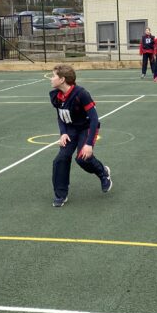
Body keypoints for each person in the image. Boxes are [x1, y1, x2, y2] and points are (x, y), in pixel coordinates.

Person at [49, 64, 112, 207]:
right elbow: (61, 116)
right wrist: (63, 133)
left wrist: (89, 144)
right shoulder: (56, 96)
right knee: (60, 160)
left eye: (53, 76)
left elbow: (94, 119)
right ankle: (61, 195)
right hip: (71, 130)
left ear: (62, 79)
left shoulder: (81, 93)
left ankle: (103, 172)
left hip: (86, 128)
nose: (51, 79)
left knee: (83, 158)